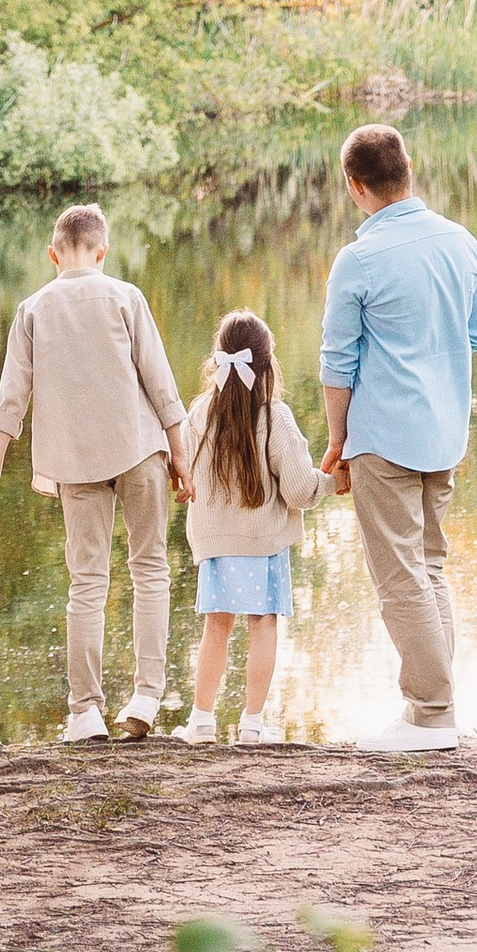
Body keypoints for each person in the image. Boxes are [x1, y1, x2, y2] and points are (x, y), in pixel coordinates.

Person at [318, 120, 477, 754]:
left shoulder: (358, 259)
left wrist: (337, 443)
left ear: (355, 185)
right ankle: (433, 711)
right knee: (430, 566)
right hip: (445, 431)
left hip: (383, 436)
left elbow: (337, 364)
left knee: (398, 576)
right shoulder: (462, 242)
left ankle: (431, 713)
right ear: (408, 167)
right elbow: (475, 334)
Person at [0, 199, 188, 740]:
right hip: (140, 449)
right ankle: (146, 697)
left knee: (87, 583)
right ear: (102, 251)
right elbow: (160, 382)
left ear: (53, 254)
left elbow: (13, 394)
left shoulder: (32, 309)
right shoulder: (126, 296)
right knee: (150, 570)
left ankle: (85, 711)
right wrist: (183, 455)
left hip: (75, 461)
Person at [171, 308, 325, 748]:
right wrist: (332, 483)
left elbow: (184, 465)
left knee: (216, 627)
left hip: (217, 545)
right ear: (267, 364)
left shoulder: (198, 413)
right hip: (264, 544)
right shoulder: (275, 417)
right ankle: (252, 724)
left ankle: (201, 720)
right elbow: (298, 489)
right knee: (263, 624)